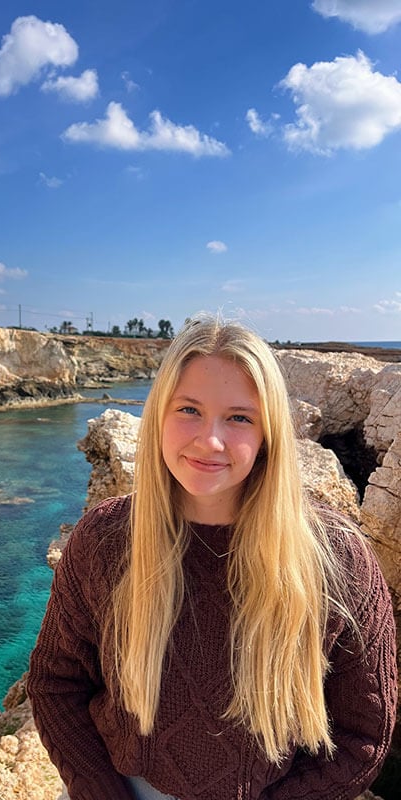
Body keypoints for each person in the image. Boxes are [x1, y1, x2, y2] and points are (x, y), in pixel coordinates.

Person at [27, 315, 398, 800]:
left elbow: (364, 737)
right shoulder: (105, 539)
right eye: (189, 409)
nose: (210, 440)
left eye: (240, 417)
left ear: (269, 434)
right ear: (158, 414)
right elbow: (55, 683)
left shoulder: (336, 558)